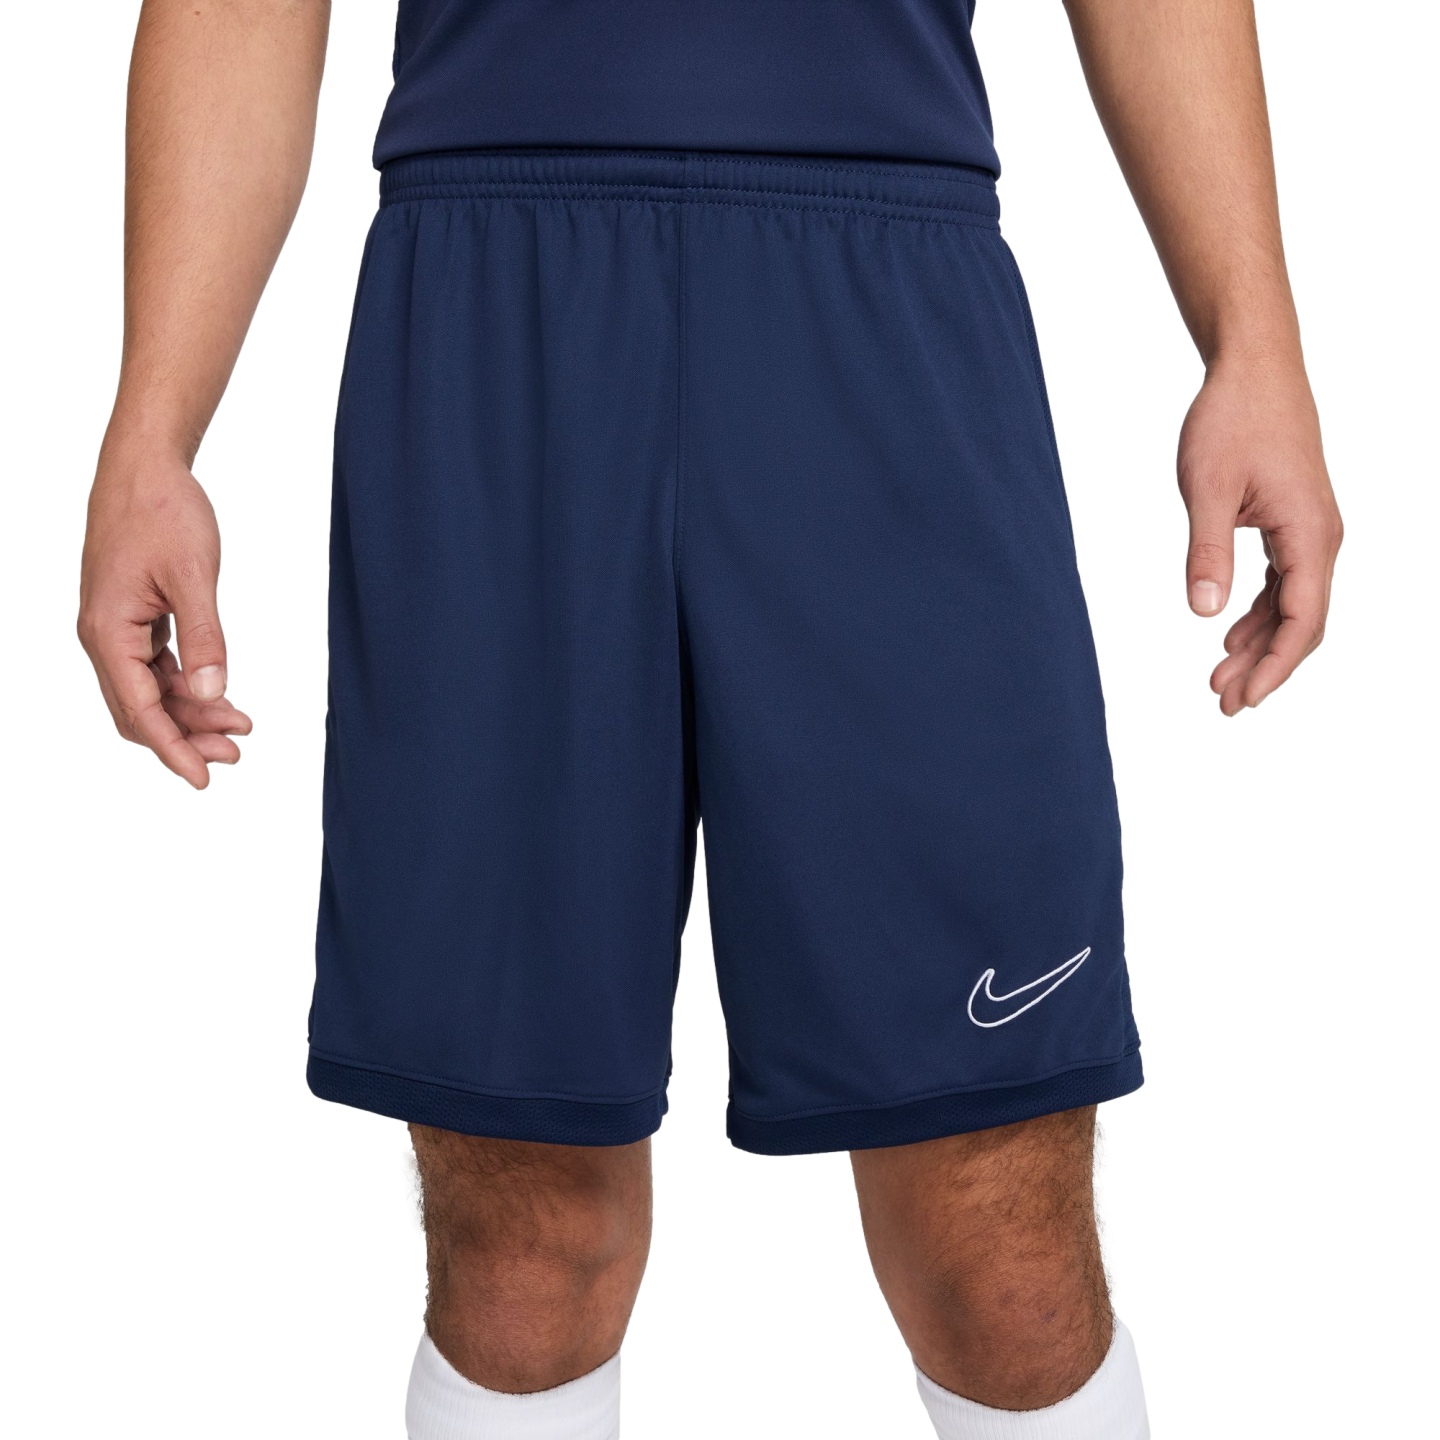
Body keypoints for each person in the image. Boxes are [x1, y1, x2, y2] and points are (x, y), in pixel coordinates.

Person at [76, 4, 1343, 1437]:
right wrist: (152, 431)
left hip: (889, 277)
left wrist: (1256, 340)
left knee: (1007, 1251)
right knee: (519, 1249)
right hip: (492, 292)